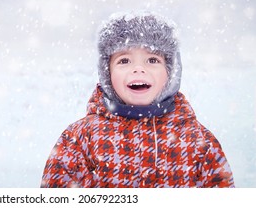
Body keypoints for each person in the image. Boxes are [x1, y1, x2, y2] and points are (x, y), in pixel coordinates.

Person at [40, 12, 235, 188]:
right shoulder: (80, 139)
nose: (138, 69)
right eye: (124, 61)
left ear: (171, 72)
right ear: (107, 74)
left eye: (152, 60)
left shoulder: (198, 141)